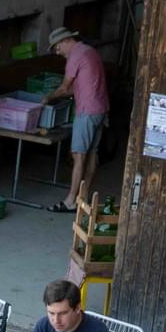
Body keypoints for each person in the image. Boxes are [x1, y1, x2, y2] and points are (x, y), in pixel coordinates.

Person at [42, 27, 109, 213]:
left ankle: (71, 200)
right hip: (100, 109)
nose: (57, 52)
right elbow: (80, 86)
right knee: (92, 154)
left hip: (87, 111)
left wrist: (48, 97)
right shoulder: (90, 52)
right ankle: (83, 196)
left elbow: (64, 88)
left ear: (65, 41)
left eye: (56, 48)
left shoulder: (74, 57)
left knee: (78, 155)